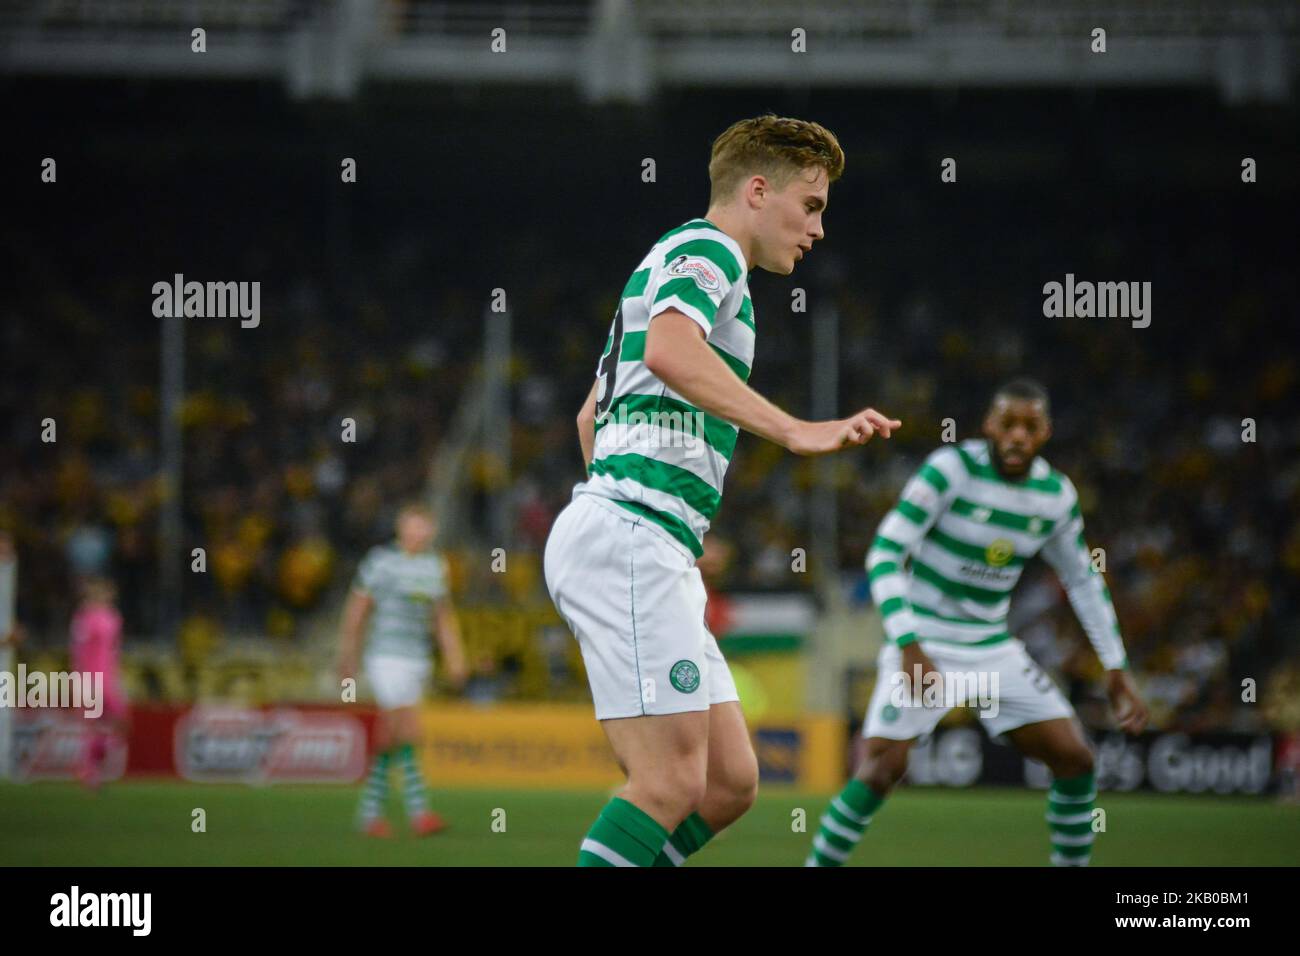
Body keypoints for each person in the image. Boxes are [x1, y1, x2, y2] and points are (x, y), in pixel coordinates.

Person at [544, 114, 902, 867]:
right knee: (669, 782)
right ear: (758, 190)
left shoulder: (687, 260)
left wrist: (633, 512)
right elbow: (670, 350)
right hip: (632, 536)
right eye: (812, 207)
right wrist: (797, 431)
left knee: (728, 781)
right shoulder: (709, 250)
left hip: (638, 534)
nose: (818, 229)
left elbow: (589, 415)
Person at [806, 378, 1149, 867]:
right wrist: (908, 643)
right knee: (882, 767)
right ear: (989, 425)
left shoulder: (1054, 496)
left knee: (1076, 760)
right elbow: (885, 552)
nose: (1017, 436)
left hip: (992, 649)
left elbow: (1082, 580)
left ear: (1045, 432)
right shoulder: (950, 471)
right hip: (925, 641)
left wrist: (1115, 667)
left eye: (1029, 427)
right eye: (1007, 424)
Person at [338, 502, 468, 837]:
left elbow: (442, 616)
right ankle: (419, 813)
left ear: (431, 531)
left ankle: (369, 815)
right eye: (412, 526)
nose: (417, 532)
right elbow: (358, 608)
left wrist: (454, 655)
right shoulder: (381, 562)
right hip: (385, 655)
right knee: (409, 728)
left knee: (390, 735)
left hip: (416, 658)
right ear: (400, 528)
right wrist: (348, 654)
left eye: (423, 526)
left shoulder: (435, 566)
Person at [69, 576, 129, 790]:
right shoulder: (84, 618)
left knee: (120, 719)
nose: (107, 596)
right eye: (102, 592)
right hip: (89, 678)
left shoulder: (114, 617)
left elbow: (115, 650)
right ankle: (89, 772)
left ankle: (97, 756)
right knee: (92, 726)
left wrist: (118, 674)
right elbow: (78, 651)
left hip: (108, 676)